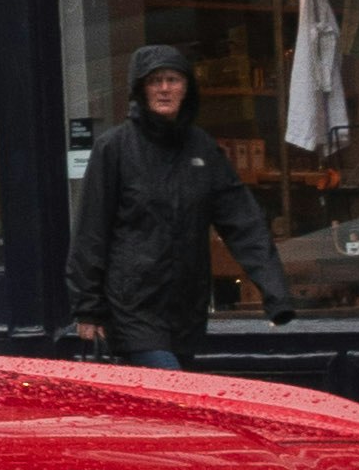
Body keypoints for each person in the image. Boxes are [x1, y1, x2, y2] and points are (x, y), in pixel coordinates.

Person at [68, 46, 297, 363]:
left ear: (187, 89)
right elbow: (91, 231)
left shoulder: (203, 148)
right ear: (140, 89)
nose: (164, 89)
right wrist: (87, 306)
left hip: (187, 308)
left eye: (173, 80)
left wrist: (275, 293)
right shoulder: (115, 148)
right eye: (155, 81)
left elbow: (243, 222)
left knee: (172, 406)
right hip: (132, 308)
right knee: (173, 389)